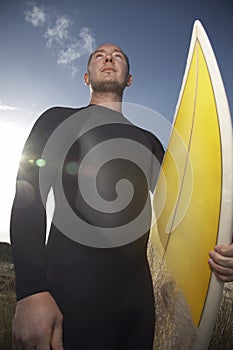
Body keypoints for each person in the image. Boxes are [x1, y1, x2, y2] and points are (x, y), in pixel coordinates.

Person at [10, 43, 233, 350]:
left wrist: (226, 244)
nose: (109, 58)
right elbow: (28, 196)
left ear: (129, 79)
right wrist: (31, 290)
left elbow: (188, 208)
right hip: (69, 296)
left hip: (139, 308)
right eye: (100, 56)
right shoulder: (58, 119)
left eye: (118, 56)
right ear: (86, 78)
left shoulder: (150, 141)